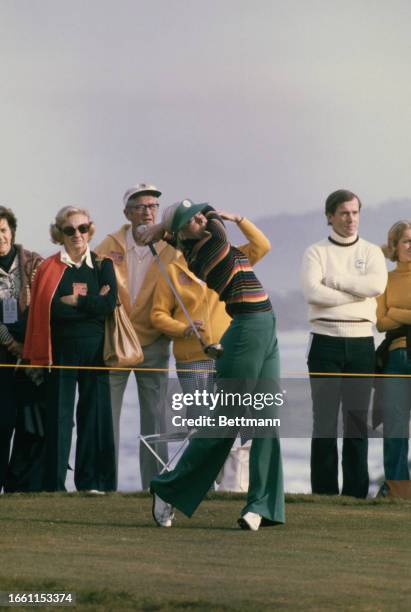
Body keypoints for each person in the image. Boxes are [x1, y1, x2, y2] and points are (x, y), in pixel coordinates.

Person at [141, 199, 285, 531]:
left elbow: (191, 218)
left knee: (267, 419)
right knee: (226, 420)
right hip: (247, 328)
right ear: (184, 232)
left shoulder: (188, 239)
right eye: (192, 221)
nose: (201, 220)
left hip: (265, 323)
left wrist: (161, 229)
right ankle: (168, 489)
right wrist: (173, 225)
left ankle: (262, 505)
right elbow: (212, 212)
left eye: (199, 218)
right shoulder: (211, 245)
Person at [23, 206, 117, 492]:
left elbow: (109, 304)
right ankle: (53, 485)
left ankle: (92, 482)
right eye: (69, 229)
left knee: (95, 416)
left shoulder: (103, 265)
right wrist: (93, 305)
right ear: (59, 233)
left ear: (90, 229)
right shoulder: (48, 268)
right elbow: (47, 312)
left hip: (96, 351)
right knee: (59, 419)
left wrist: (76, 302)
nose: (77, 234)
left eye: (82, 228)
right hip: (60, 351)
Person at [301, 189, 387, 498]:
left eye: (354, 213)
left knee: (355, 422)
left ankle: (355, 494)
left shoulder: (372, 252)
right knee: (324, 421)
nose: (351, 219)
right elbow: (312, 293)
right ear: (330, 217)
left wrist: (334, 281)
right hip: (324, 343)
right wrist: (356, 294)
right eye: (343, 213)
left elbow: (376, 286)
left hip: (362, 343)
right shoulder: (315, 252)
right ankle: (324, 494)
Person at [95, 183, 176, 489]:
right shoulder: (108, 246)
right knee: (108, 419)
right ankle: (105, 487)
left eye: (153, 206)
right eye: (140, 206)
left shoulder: (171, 246)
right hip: (116, 342)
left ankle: (155, 487)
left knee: (155, 423)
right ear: (127, 212)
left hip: (155, 342)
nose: (147, 211)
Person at [0, 206, 43, 492]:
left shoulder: (34, 263)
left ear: (12, 231)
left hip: (33, 354)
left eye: (2, 230)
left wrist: (28, 351)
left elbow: (44, 307)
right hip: (4, 354)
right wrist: (13, 346)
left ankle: (21, 490)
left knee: (32, 427)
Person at [376, 220, 411, 480]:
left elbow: (390, 317)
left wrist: (396, 312)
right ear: (395, 246)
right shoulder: (385, 279)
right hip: (397, 357)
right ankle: (398, 490)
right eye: (406, 241)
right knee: (395, 430)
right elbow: (381, 322)